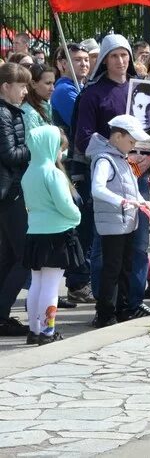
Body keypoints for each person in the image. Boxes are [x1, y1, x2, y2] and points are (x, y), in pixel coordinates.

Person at [75, 35, 150, 321]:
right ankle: (105, 306)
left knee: (138, 245)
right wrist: (118, 156)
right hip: (109, 178)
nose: (121, 61)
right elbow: (83, 139)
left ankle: (132, 302)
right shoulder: (93, 94)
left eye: (125, 55)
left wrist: (147, 158)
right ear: (105, 59)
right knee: (106, 249)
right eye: (114, 56)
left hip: (139, 176)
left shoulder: (142, 89)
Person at [87, 115, 150, 328]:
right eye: (131, 141)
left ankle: (122, 308)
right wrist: (123, 201)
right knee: (112, 268)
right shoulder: (104, 159)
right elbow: (97, 189)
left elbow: (132, 188)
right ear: (117, 136)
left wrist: (142, 202)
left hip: (126, 220)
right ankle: (105, 313)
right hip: (113, 222)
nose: (133, 146)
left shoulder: (122, 159)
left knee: (125, 266)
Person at [22, 126, 81, 344]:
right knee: (51, 285)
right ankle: (48, 331)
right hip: (56, 234)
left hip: (34, 233)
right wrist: (77, 216)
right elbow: (64, 204)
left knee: (36, 283)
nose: (61, 153)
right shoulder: (53, 173)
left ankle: (35, 329)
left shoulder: (29, 172)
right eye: (59, 148)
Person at [0, 63, 32, 336]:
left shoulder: (9, 112)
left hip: (11, 190)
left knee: (10, 256)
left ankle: (2, 314)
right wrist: (34, 145)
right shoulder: (2, 114)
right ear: (5, 87)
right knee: (25, 254)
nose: (25, 91)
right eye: (21, 85)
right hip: (9, 192)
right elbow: (9, 155)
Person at [51, 43, 90, 134]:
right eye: (77, 60)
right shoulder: (64, 90)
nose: (84, 64)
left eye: (86, 60)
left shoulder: (83, 86)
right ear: (64, 64)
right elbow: (84, 122)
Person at [21, 64, 56, 133]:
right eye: (48, 83)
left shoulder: (45, 105)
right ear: (33, 84)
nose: (53, 88)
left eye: (53, 83)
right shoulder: (29, 113)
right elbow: (32, 143)